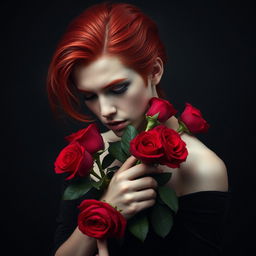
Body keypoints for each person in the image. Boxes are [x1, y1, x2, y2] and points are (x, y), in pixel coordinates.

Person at [47, 2, 230, 256]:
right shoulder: (89, 156)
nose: (105, 110)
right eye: (89, 96)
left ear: (154, 71)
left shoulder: (202, 168)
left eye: (117, 89)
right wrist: (107, 208)